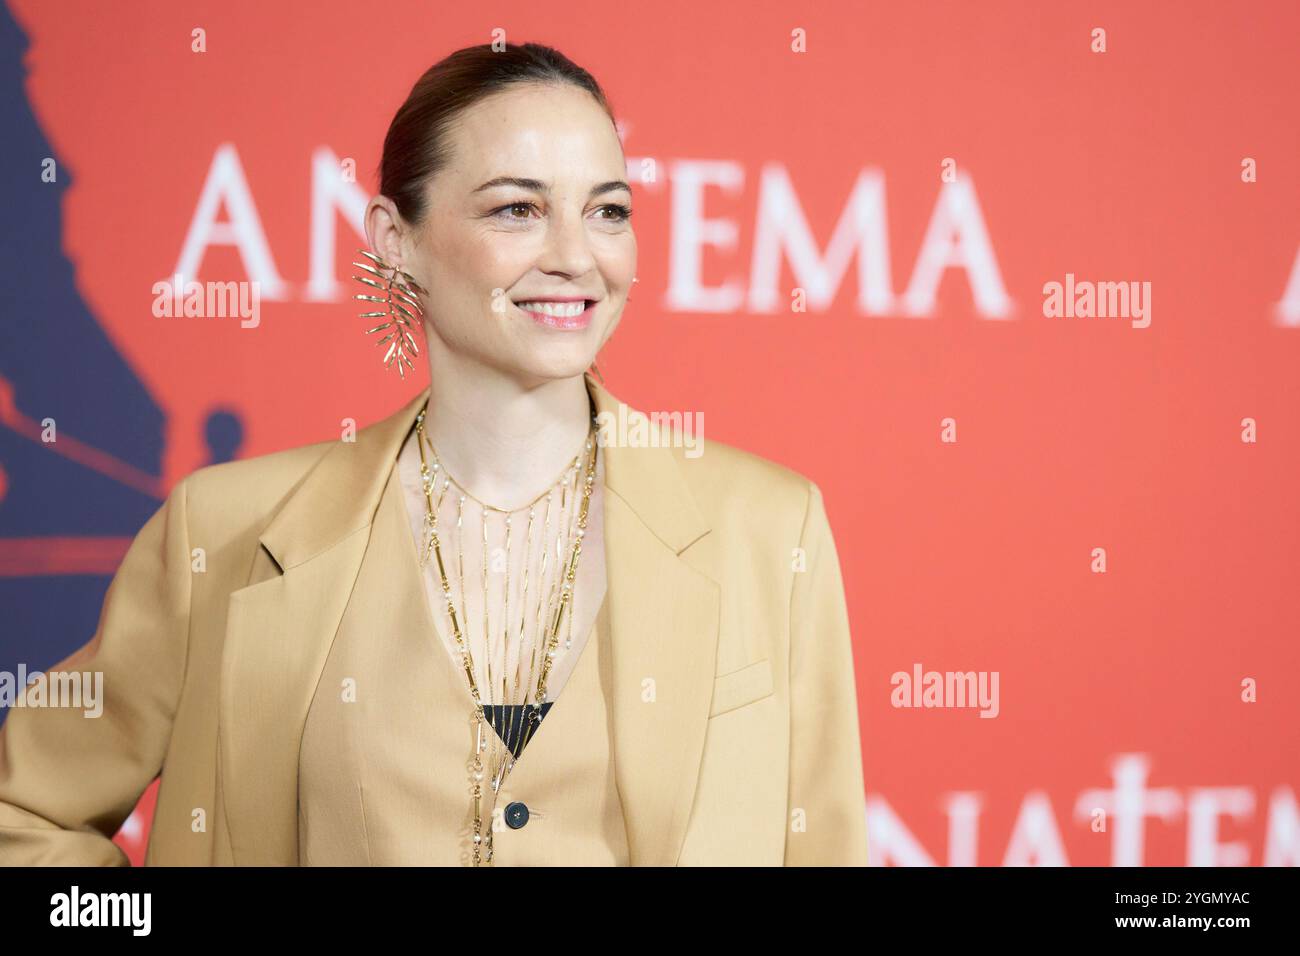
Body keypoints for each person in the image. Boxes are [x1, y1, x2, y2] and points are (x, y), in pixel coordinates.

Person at [0, 41, 866, 866]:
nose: (576, 256)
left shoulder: (768, 527)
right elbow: (24, 815)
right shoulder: (225, 531)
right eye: (517, 208)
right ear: (396, 236)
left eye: (608, 210)